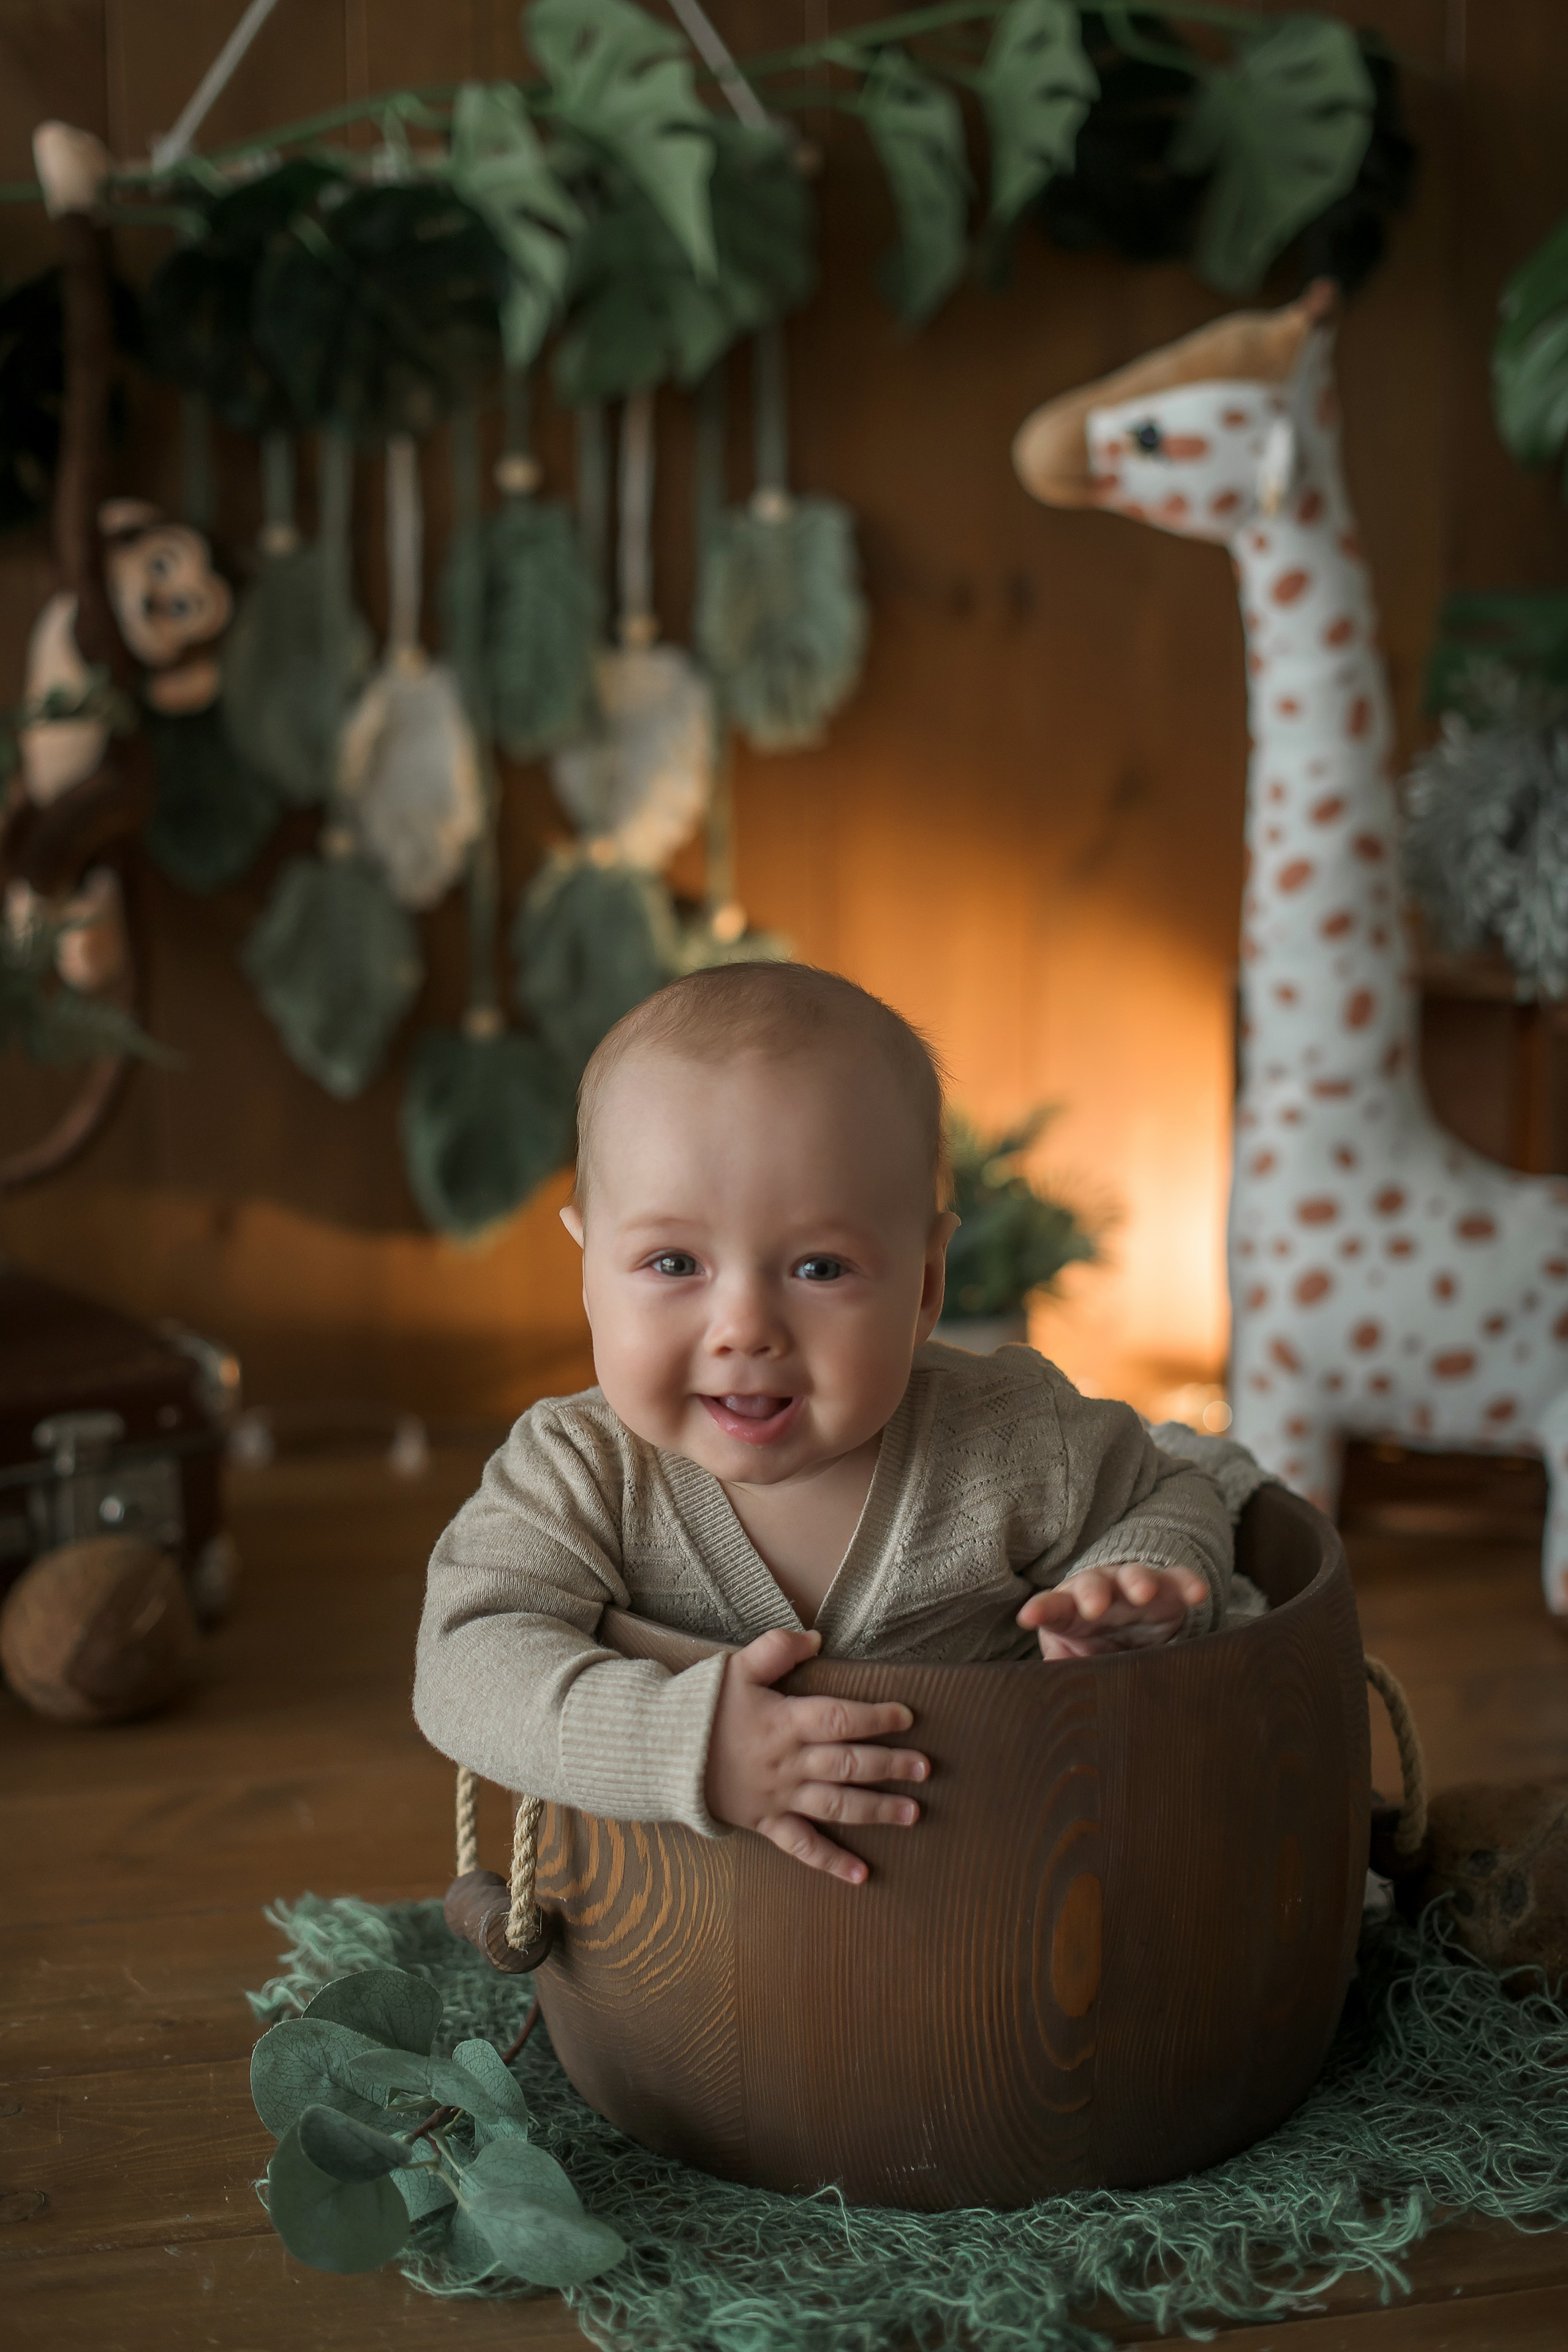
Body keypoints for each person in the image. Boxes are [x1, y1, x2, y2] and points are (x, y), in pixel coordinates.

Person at [414, 963, 1236, 1888]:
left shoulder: (1014, 1439)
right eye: (674, 1261)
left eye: (819, 1270)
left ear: (925, 1287)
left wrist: (1129, 1592)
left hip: (1002, 1901)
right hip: (687, 1948)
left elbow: (1179, 1494)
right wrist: (678, 1744)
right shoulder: (579, 1472)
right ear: (588, 1271)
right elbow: (466, 1659)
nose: (746, 1330)